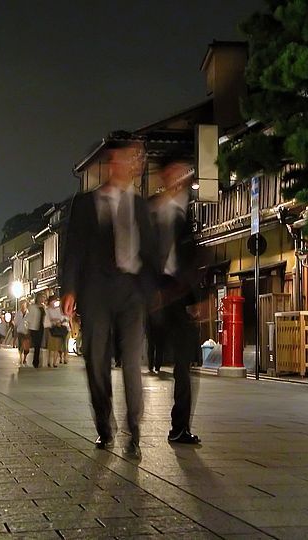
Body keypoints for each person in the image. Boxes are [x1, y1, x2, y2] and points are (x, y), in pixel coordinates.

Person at [61, 139, 158, 459]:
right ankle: (105, 425)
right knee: (96, 360)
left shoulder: (140, 205)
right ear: (110, 162)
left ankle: (134, 429)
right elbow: (72, 249)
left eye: (135, 160)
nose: (130, 165)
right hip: (96, 291)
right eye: (124, 158)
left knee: (132, 361)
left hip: (130, 291)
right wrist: (70, 289)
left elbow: (150, 253)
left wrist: (149, 292)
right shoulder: (85, 203)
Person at [149, 156, 203, 445]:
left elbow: (189, 260)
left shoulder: (185, 213)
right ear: (163, 175)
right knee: (134, 358)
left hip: (177, 295)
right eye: (175, 172)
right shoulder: (151, 210)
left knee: (184, 362)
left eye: (184, 172)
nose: (180, 177)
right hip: (150, 295)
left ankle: (179, 427)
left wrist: (195, 299)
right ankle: (125, 427)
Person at [44, 295, 69, 367]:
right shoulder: (47, 310)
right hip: (51, 329)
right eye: (53, 301)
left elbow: (64, 318)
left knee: (56, 347)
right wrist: (55, 320)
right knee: (50, 347)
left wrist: (59, 321)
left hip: (58, 330)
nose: (54, 303)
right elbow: (49, 319)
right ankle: (49, 361)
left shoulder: (59, 310)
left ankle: (54, 362)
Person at [27, 294, 46, 367]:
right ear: (37, 298)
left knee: (38, 345)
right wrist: (28, 328)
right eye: (41, 298)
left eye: (43, 298)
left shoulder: (44, 307)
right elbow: (29, 318)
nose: (42, 299)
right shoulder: (32, 307)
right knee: (36, 344)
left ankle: (36, 361)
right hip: (33, 327)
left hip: (41, 327)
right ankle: (35, 361)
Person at [13, 300, 31, 365]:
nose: (22, 306)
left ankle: (25, 358)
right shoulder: (18, 313)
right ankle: (21, 357)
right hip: (20, 331)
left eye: (24, 304)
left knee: (26, 347)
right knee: (20, 345)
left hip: (26, 332)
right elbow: (16, 323)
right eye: (21, 304)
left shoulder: (29, 313)